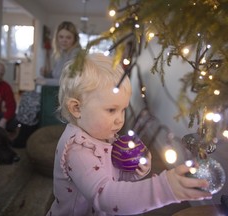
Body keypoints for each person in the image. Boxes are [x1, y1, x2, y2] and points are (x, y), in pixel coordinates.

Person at [46, 53, 212, 215]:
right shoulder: (78, 151)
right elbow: (105, 198)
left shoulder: (102, 135)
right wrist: (163, 188)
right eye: (111, 110)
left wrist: (132, 172)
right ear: (76, 108)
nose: (120, 120)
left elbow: (109, 177)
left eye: (123, 110)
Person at [39, 20, 82, 84]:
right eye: (61, 37)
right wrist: (47, 74)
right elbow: (57, 76)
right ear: (57, 38)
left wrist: (45, 81)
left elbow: (68, 82)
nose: (64, 40)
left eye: (68, 37)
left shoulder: (76, 55)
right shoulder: (62, 53)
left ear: (74, 39)